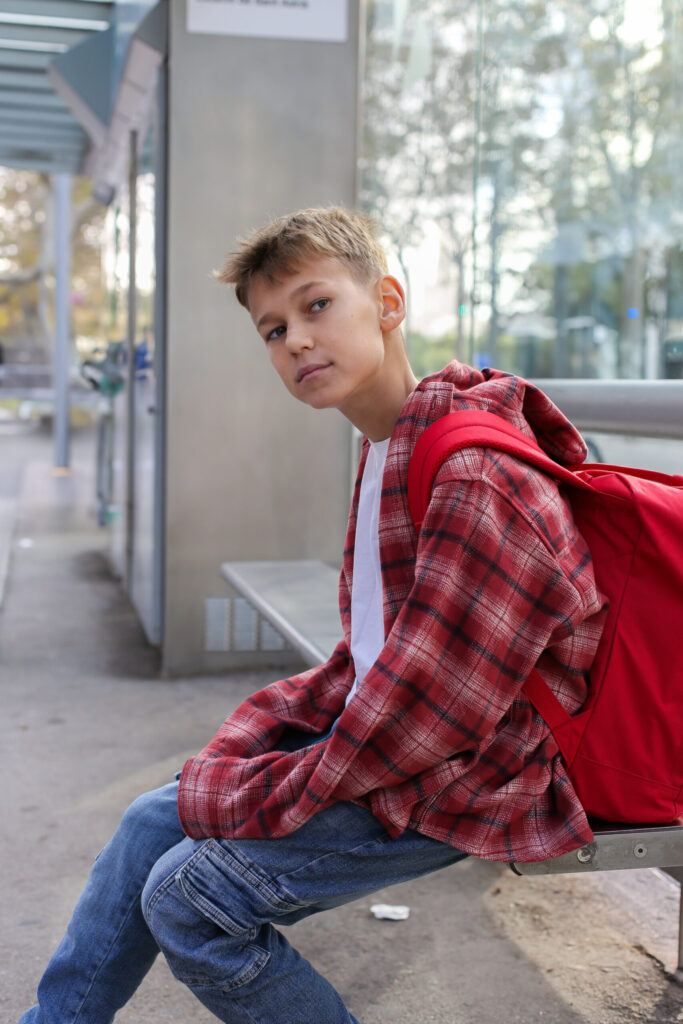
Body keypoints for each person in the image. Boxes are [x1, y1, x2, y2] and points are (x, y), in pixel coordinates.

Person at [19, 206, 605, 1024]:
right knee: (153, 817)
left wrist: (255, 789)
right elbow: (370, 662)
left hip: (490, 773)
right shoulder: (385, 447)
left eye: (317, 305)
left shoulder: (471, 476)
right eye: (272, 328)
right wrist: (248, 754)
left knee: (189, 897)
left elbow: (426, 721)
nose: (295, 339)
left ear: (388, 303)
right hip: (419, 745)